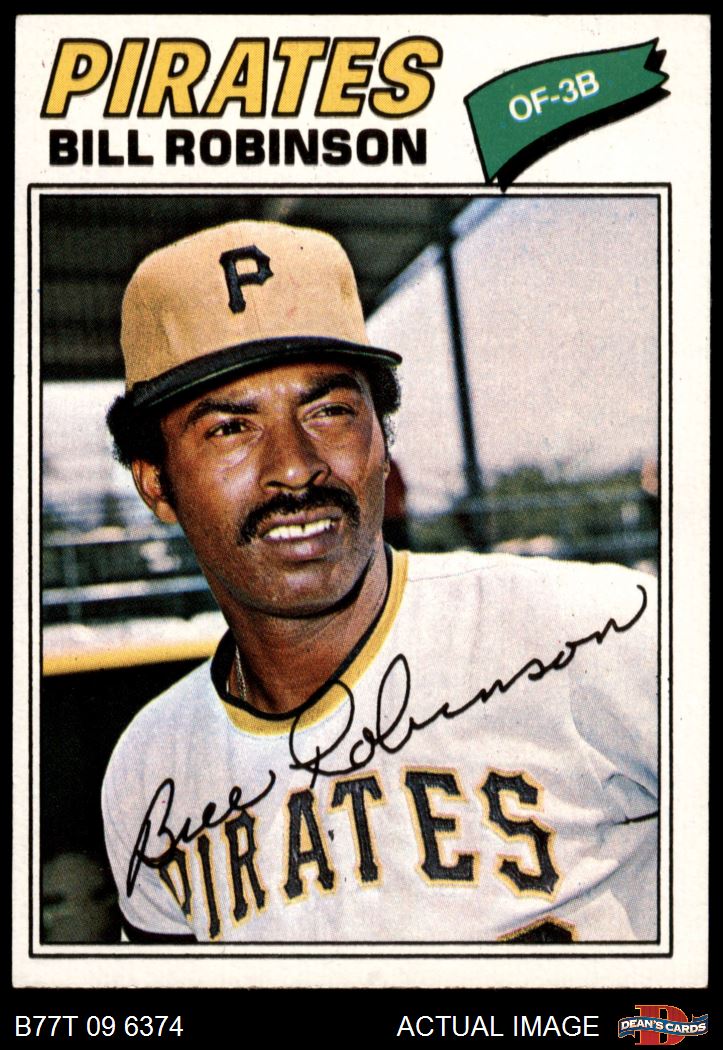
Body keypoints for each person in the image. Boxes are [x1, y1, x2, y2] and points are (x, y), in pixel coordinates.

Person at [102, 219, 658, 945]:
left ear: (383, 437)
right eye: (231, 427)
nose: (295, 466)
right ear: (155, 482)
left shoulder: (599, 634)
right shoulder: (149, 773)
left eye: (329, 411)